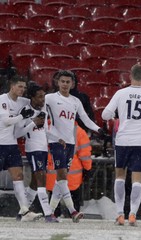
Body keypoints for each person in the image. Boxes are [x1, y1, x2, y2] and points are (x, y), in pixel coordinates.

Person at [101, 64, 141, 226]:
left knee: (120, 177)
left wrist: (119, 116)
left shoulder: (121, 93)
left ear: (130, 75)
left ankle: (120, 214)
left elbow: (105, 114)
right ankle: (133, 213)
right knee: (137, 180)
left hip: (123, 140)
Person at [45, 70, 104, 223]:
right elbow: (40, 116)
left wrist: (98, 129)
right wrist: (53, 136)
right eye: (62, 81)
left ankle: (49, 212)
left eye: (67, 82)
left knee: (60, 180)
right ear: (58, 82)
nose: (65, 84)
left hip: (70, 143)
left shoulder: (76, 101)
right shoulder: (49, 98)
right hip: (56, 142)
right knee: (62, 176)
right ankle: (72, 211)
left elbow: (85, 119)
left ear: (72, 84)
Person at [13, 83, 62, 222]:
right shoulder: (25, 111)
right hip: (32, 149)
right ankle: (48, 214)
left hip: (43, 148)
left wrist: (57, 139)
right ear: (32, 98)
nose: (43, 100)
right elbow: (17, 133)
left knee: (35, 182)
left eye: (44, 97)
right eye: (40, 97)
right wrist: (32, 123)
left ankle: (21, 213)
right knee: (42, 179)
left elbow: (45, 131)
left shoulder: (44, 110)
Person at [0, 75, 43, 221]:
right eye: (20, 86)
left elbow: (36, 101)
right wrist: (22, 116)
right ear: (11, 86)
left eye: (24, 88)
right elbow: (5, 121)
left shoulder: (23, 101)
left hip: (11, 145)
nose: (22, 90)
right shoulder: (2, 100)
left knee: (18, 176)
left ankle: (25, 211)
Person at [46, 123, 92, 217]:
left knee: (54, 199)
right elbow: (85, 155)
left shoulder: (47, 128)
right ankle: (73, 214)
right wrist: (87, 169)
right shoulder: (78, 132)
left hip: (52, 174)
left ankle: (52, 215)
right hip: (72, 176)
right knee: (74, 199)